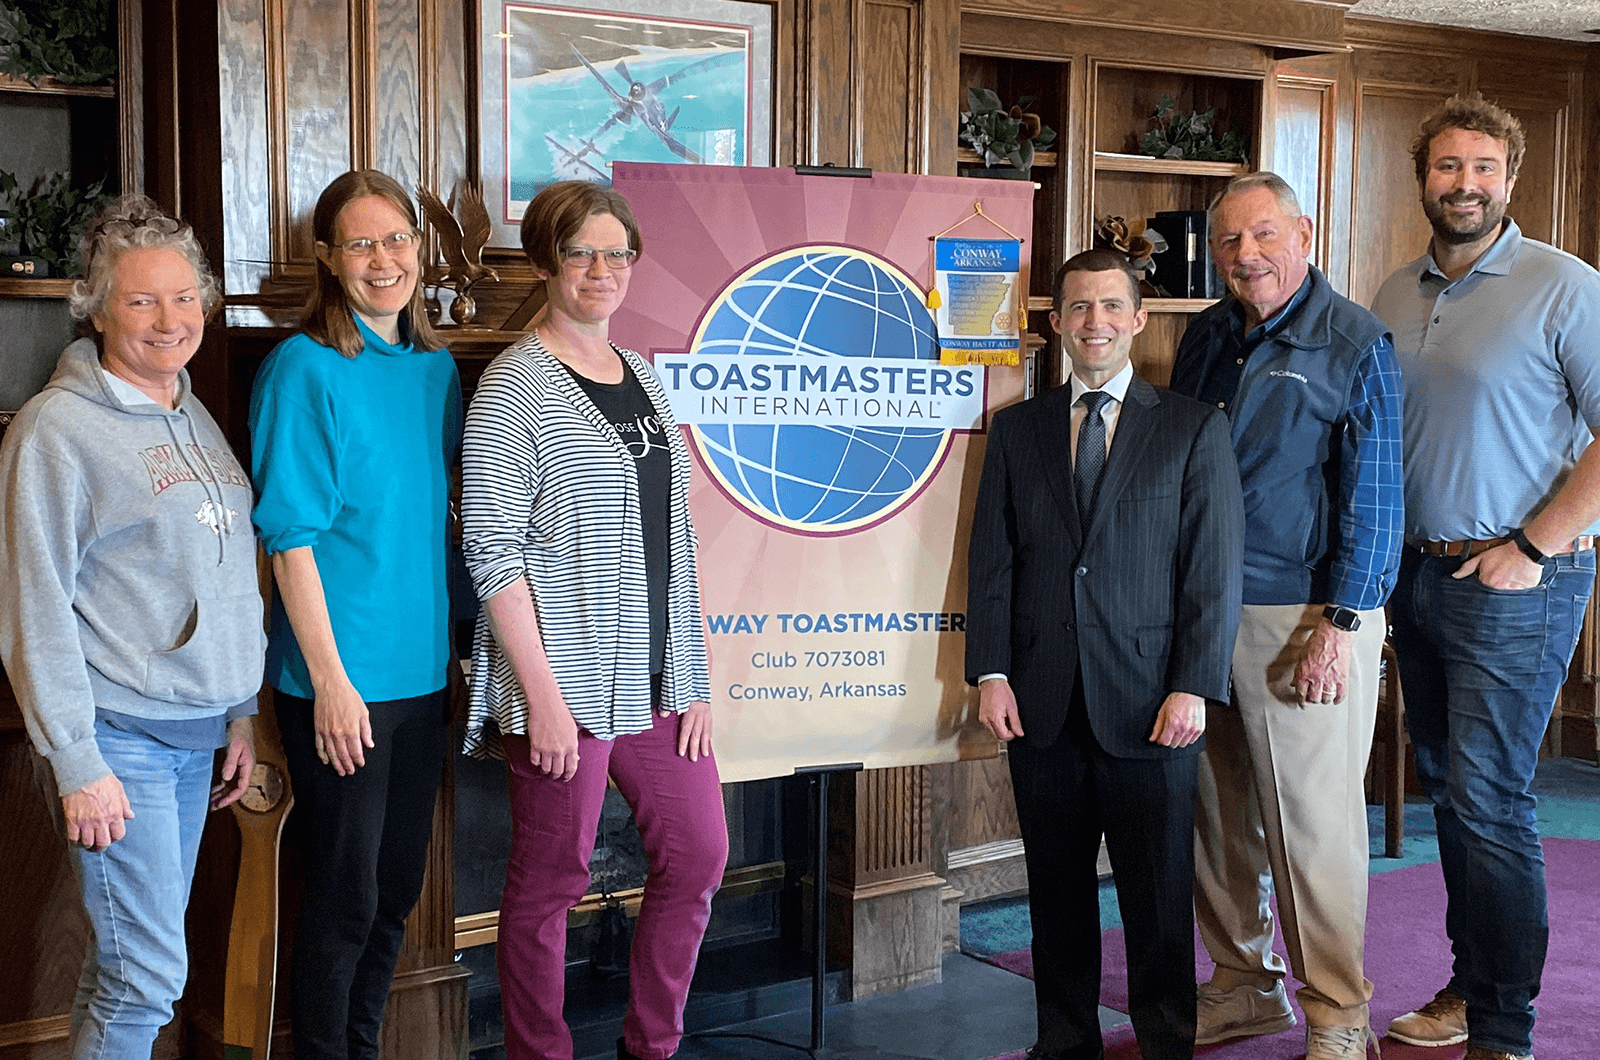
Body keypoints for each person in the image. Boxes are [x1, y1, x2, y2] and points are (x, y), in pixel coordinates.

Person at [460, 180, 726, 1060]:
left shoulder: (643, 375)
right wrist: (538, 698)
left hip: (657, 682)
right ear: (545, 262)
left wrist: (694, 677)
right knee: (548, 885)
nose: (602, 271)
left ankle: (651, 1047)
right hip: (562, 687)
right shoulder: (514, 389)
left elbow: (674, 538)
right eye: (581, 253)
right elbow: (493, 554)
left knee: (698, 857)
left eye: (617, 253)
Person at [0, 195, 262, 1058]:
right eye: (143, 300)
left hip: (195, 738)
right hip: (120, 744)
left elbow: (221, 578)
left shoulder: (193, 414)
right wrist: (77, 763)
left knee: (124, 972)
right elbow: (32, 606)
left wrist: (239, 712)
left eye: (184, 297)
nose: (169, 319)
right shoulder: (56, 430)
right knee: (147, 977)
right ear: (97, 305)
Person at [966, 249, 1244, 1060]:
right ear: (1057, 324)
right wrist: (991, 671)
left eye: (1111, 307)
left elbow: (1211, 573)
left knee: (1157, 900)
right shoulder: (1017, 429)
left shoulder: (1193, 427)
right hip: (1041, 702)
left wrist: (1193, 686)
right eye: (1079, 308)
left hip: (1153, 706)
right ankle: (1063, 1043)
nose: (1095, 322)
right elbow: (993, 561)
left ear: (1137, 319)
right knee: (1055, 897)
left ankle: (1165, 1045)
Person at [1370, 94, 1600, 1060]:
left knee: (1491, 798)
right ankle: (1471, 986)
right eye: (1446, 166)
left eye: (1483, 169)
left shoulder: (1566, 285)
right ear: (1422, 175)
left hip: (1518, 578)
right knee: (1452, 793)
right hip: (1415, 580)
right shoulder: (1392, 291)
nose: (1463, 184)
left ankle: (1503, 1026)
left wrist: (1535, 548)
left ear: (1510, 180)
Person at [1168, 171, 1403, 1060]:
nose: (1246, 256)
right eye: (1229, 241)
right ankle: (1242, 984)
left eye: (1264, 236)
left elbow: (1376, 498)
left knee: (1311, 826)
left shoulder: (1354, 341)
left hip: (1304, 615)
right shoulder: (1206, 335)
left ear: (1302, 234)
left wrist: (1341, 625)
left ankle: (1340, 1013)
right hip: (1202, 607)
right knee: (1216, 815)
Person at [249, 169, 462, 1060]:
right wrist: (332, 685)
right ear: (331, 261)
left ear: (422, 250)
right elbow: (289, 540)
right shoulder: (303, 369)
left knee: (394, 896)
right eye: (362, 243)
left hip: (423, 677)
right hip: (341, 685)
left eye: (399, 239)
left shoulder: (437, 371)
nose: (385, 259)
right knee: (341, 905)